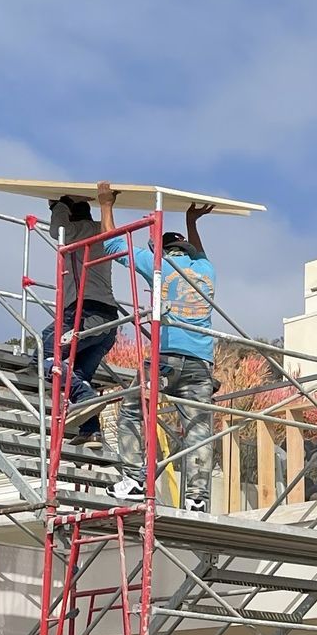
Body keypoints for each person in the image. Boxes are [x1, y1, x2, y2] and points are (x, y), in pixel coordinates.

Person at [125, 201, 218, 510]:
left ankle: (135, 480)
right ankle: (196, 500)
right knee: (199, 431)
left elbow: (112, 240)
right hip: (200, 365)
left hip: (164, 358)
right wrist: (193, 221)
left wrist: (105, 203)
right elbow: (200, 253)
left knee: (132, 410)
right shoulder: (207, 270)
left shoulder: (157, 265)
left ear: (161, 251)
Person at [38, 194, 126, 440]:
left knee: (46, 357)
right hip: (108, 321)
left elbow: (58, 230)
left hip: (85, 314)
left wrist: (60, 205)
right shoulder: (100, 230)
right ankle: (91, 431)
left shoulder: (76, 230)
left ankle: (86, 399)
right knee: (79, 376)